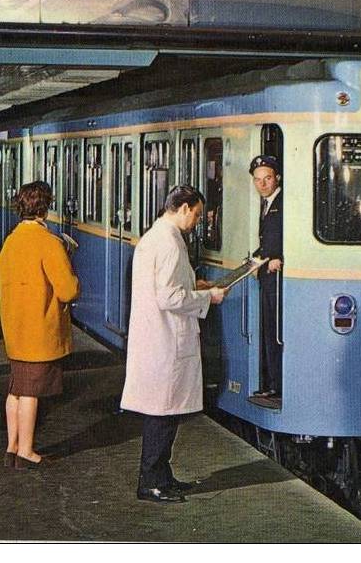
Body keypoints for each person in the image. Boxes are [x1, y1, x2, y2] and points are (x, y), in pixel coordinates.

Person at [120, 185, 228, 503]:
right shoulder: (167, 242)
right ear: (182, 208)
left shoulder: (158, 236)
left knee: (165, 412)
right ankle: (151, 482)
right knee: (161, 414)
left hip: (161, 337)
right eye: (195, 214)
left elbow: (167, 285)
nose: (196, 221)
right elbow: (168, 297)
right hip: (164, 339)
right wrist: (209, 296)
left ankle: (162, 477)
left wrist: (195, 285)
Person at [0, 181, 79, 470]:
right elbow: (67, 290)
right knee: (31, 391)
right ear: (45, 207)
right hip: (39, 331)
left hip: (14, 328)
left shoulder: (11, 240)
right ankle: (27, 452)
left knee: (16, 389)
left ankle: (12, 446)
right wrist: (68, 257)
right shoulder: (48, 242)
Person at [248, 155, 284, 409]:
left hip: (276, 279)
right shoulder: (268, 202)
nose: (262, 184)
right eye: (258, 180)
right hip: (268, 275)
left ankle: (276, 384)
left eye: (267, 178)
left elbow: (281, 237)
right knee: (269, 330)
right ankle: (272, 382)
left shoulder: (282, 203)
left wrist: (274, 256)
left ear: (277, 178)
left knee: (274, 330)